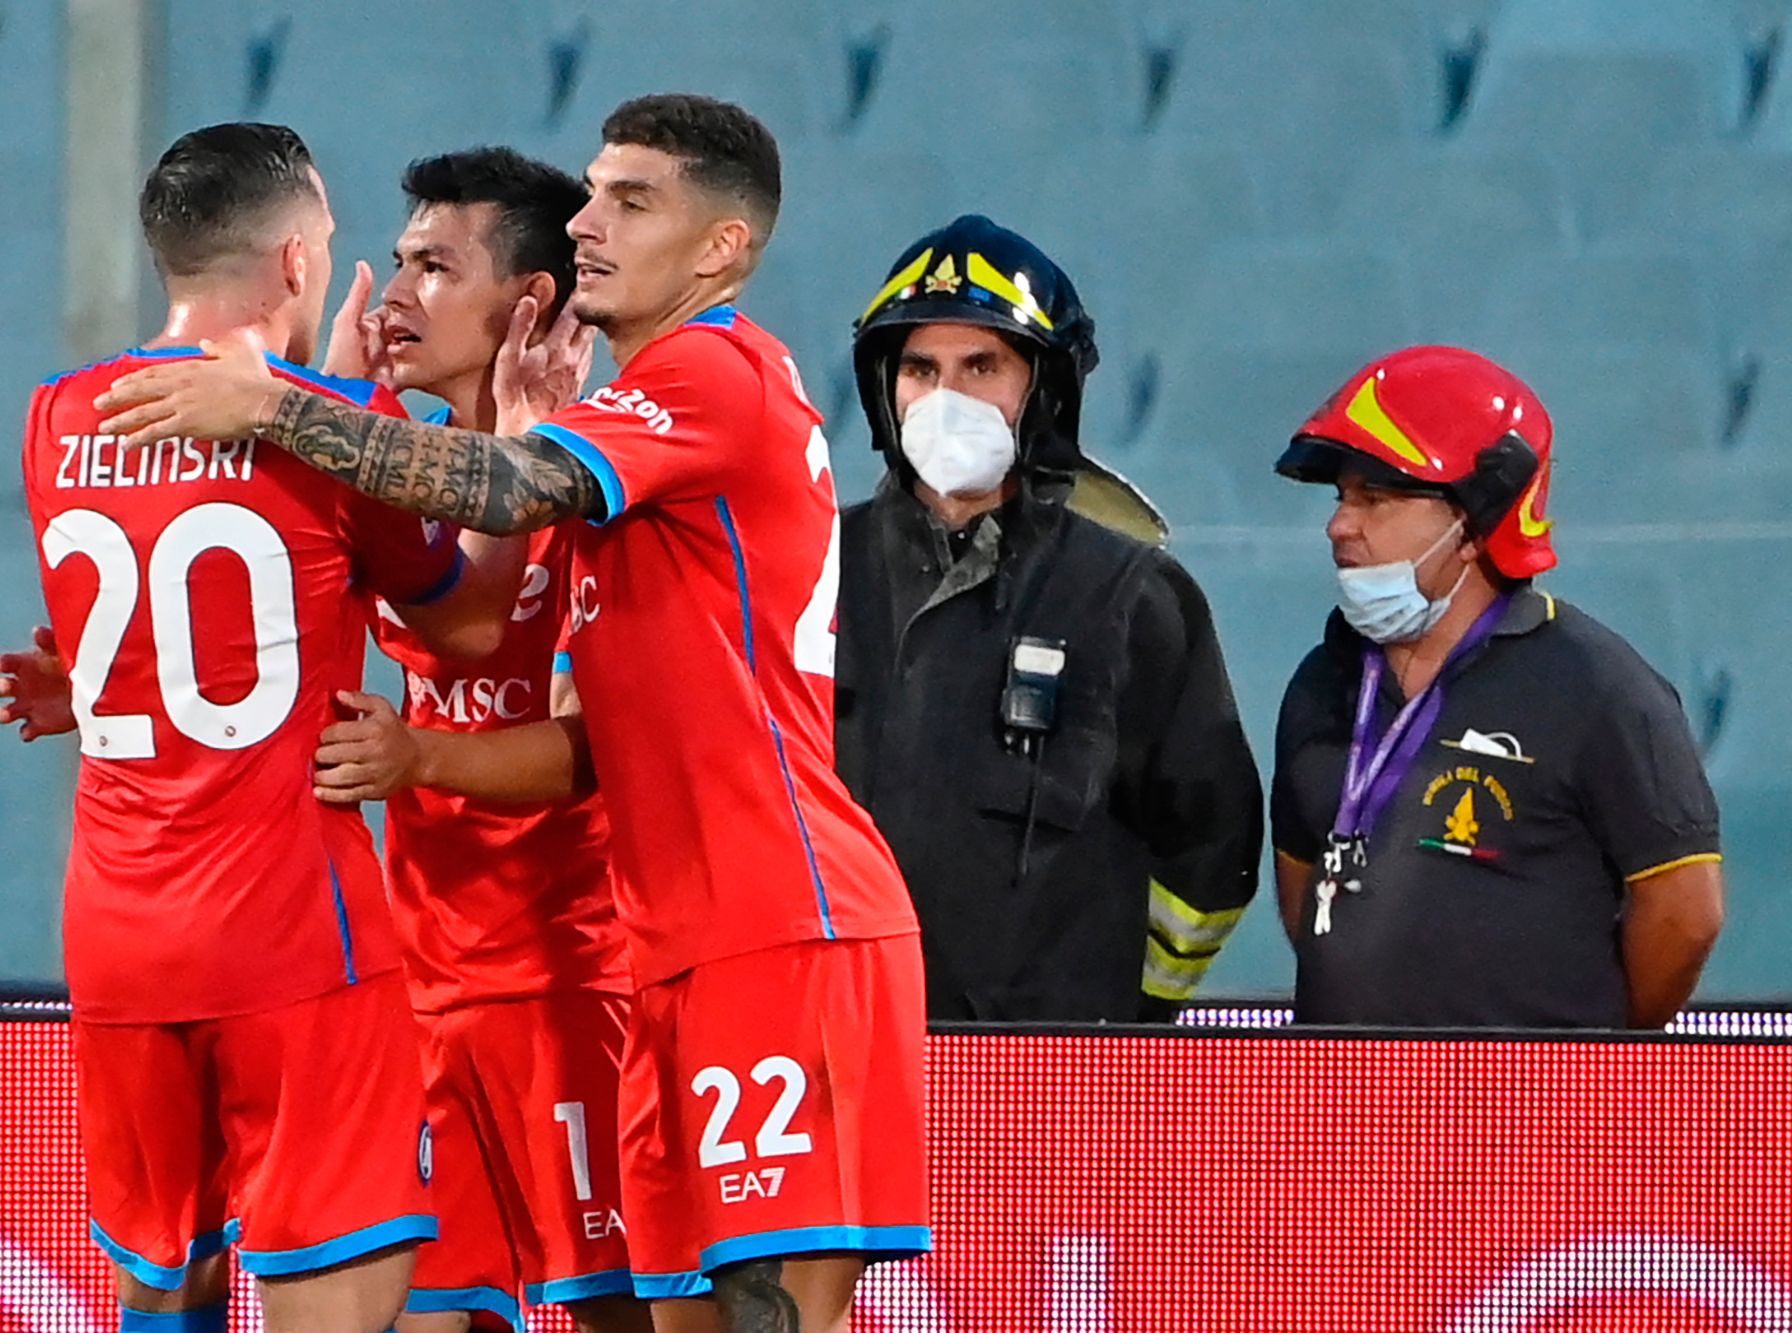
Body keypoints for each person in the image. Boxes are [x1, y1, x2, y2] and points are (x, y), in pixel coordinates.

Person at [91, 94, 930, 1333]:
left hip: (775, 924)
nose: (589, 221)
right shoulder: (633, 442)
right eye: (592, 193)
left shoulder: (713, 371)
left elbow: (514, 494)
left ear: (721, 248)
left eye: (630, 200)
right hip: (658, 948)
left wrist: (279, 404)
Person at [0, 147, 644, 1333]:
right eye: (378, 255)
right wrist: (344, 411)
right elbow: (461, 620)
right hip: (309, 942)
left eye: (427, 264)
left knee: (163, 1275)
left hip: (144, 934)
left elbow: (216, 643)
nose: (388, 289)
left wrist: (99, 687)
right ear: (297, 259)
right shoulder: (338, 434)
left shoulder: (55, 415)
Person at [834, 215, 1263, 1023]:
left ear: (1047, 389)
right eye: (920, 368)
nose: (945, 396)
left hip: (1046, 1087)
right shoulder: (805, 571)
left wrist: (1126, 1014)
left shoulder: (1135, 597)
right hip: (831, 1061)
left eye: (982, 365)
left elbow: (1211, 852)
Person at [1271, 345, 1726, 1027]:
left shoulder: (1599, 686)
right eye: (1341, 498)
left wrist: (1584, 1046)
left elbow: (1686, 915)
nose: (1340, 524)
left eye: (1377, 498)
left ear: (1474, 519)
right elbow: (1306, 893)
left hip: (1534, 1117)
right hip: (1349, 1110)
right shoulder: (1322, 679)